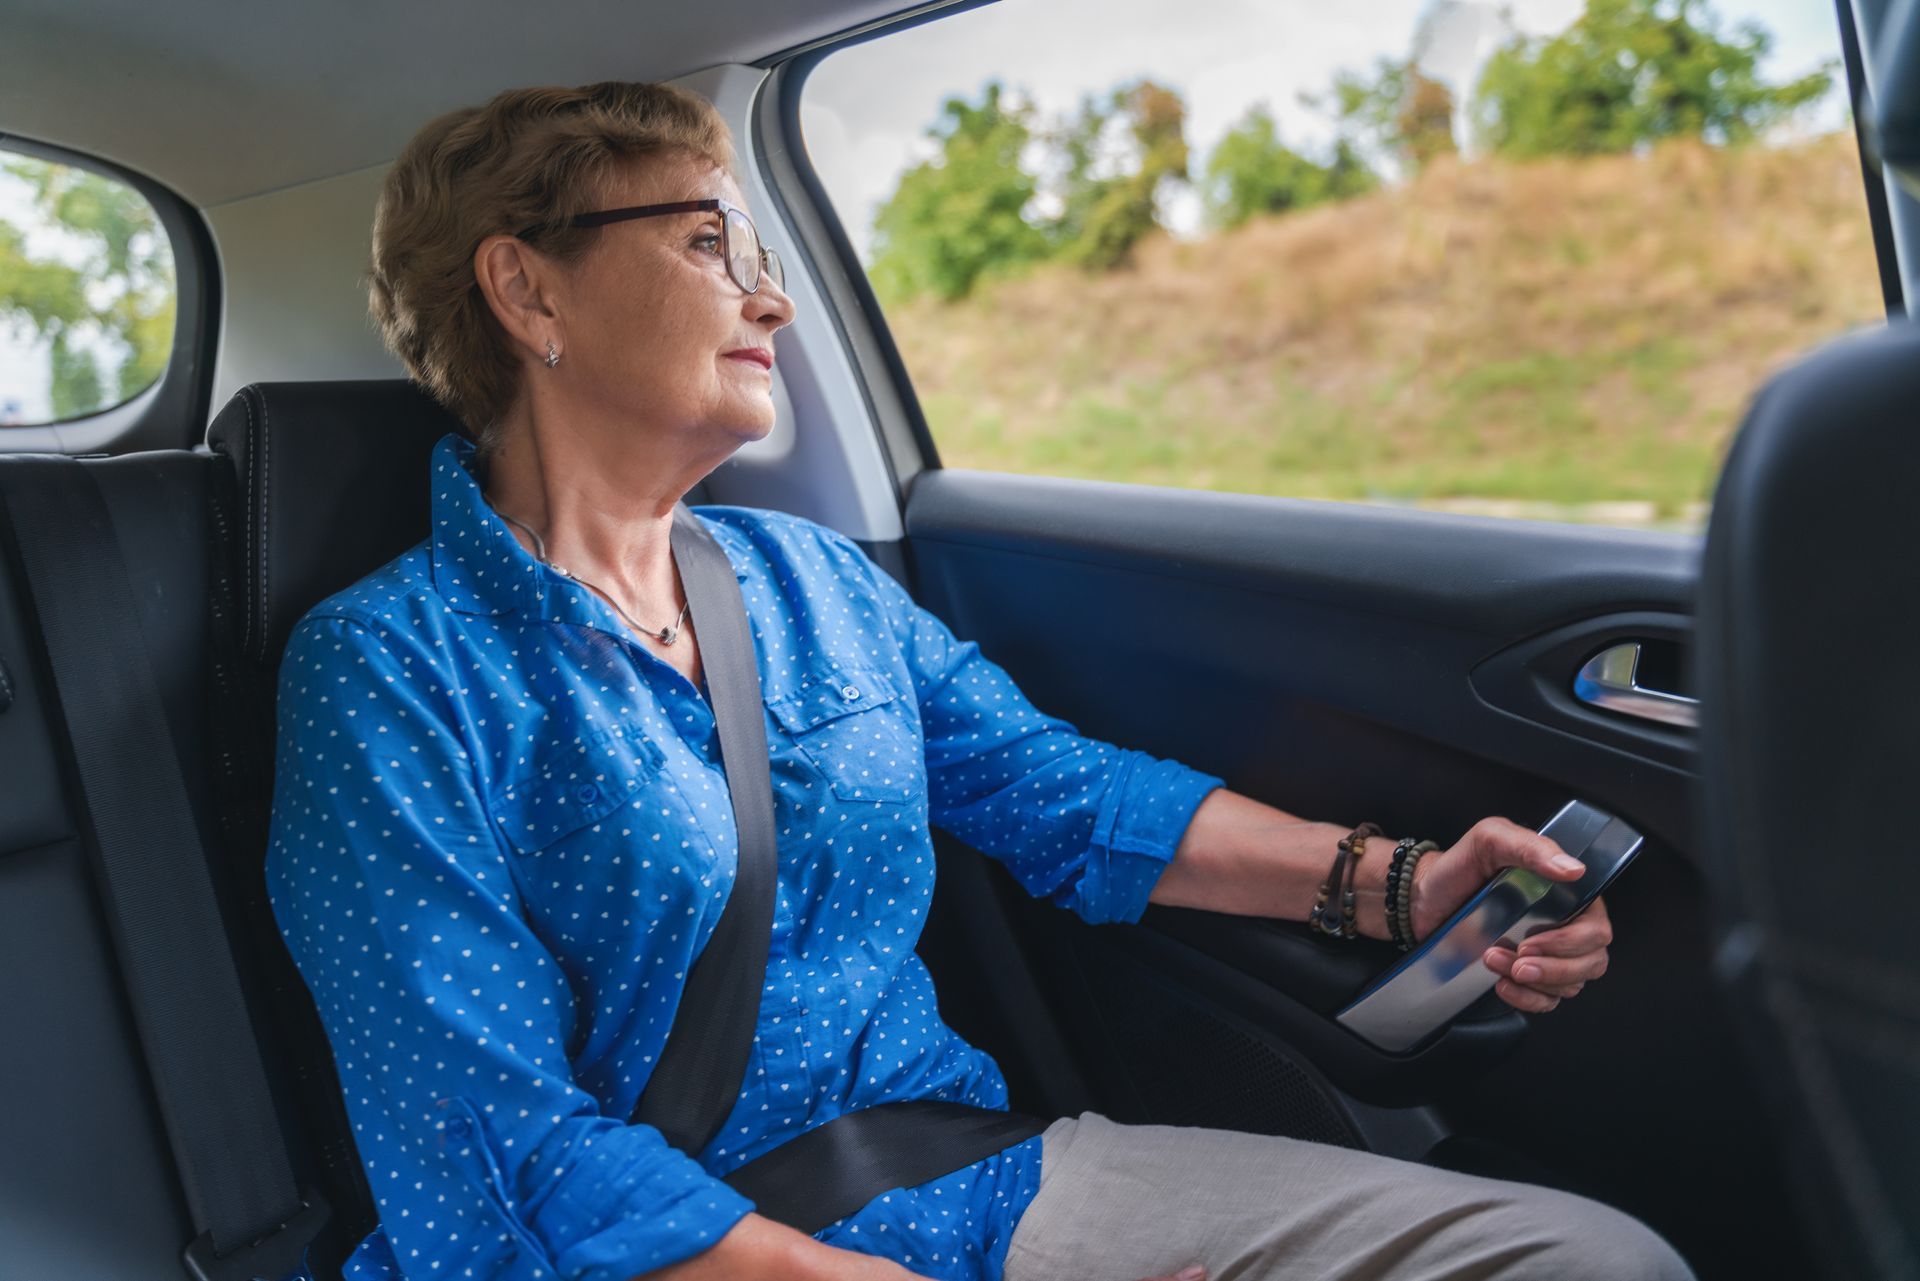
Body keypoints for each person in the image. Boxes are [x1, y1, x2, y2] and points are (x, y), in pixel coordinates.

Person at [264, 81, 1693, 1281]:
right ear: (525, 285)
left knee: (1588, 1262)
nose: (771, 295)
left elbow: (1065, 796)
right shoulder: (386, 669)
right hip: (650, 1255)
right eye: (709, 239)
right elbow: (490, 1143)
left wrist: (1397, 884)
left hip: (977, 1179)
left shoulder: (807, 581)